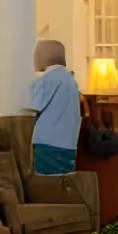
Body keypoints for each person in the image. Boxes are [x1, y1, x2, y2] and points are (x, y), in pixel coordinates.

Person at [28, 40, 82, 175]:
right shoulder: (70, 80)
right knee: (62, 181)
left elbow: (32, 105)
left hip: (47, 144)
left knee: (45, 184)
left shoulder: (47, 78)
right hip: (68, 144)